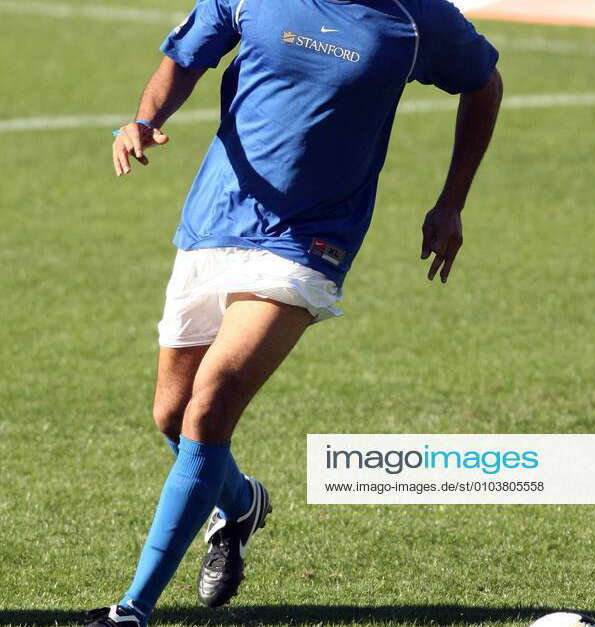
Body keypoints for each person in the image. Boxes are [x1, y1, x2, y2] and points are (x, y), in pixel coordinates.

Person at [89, 0, 502, 624]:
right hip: (216, 220)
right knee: (172, 416)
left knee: (211, 401)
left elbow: (484, 84)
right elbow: (185, 56)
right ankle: (242, 503)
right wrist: (144, 120)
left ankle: (132, 609)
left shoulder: (418, 19)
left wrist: (452, 202)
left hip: (312, 241)